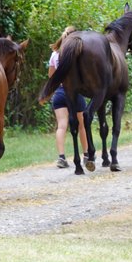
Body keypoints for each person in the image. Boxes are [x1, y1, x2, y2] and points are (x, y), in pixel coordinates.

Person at [48, 26, 88, 168]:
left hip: (59, 93)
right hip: (74, 92)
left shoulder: (55, 54)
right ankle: (86, 155)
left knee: (62, 126)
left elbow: (51, 76)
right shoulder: (77, 53)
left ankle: (61, 157)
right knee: (82, 125)